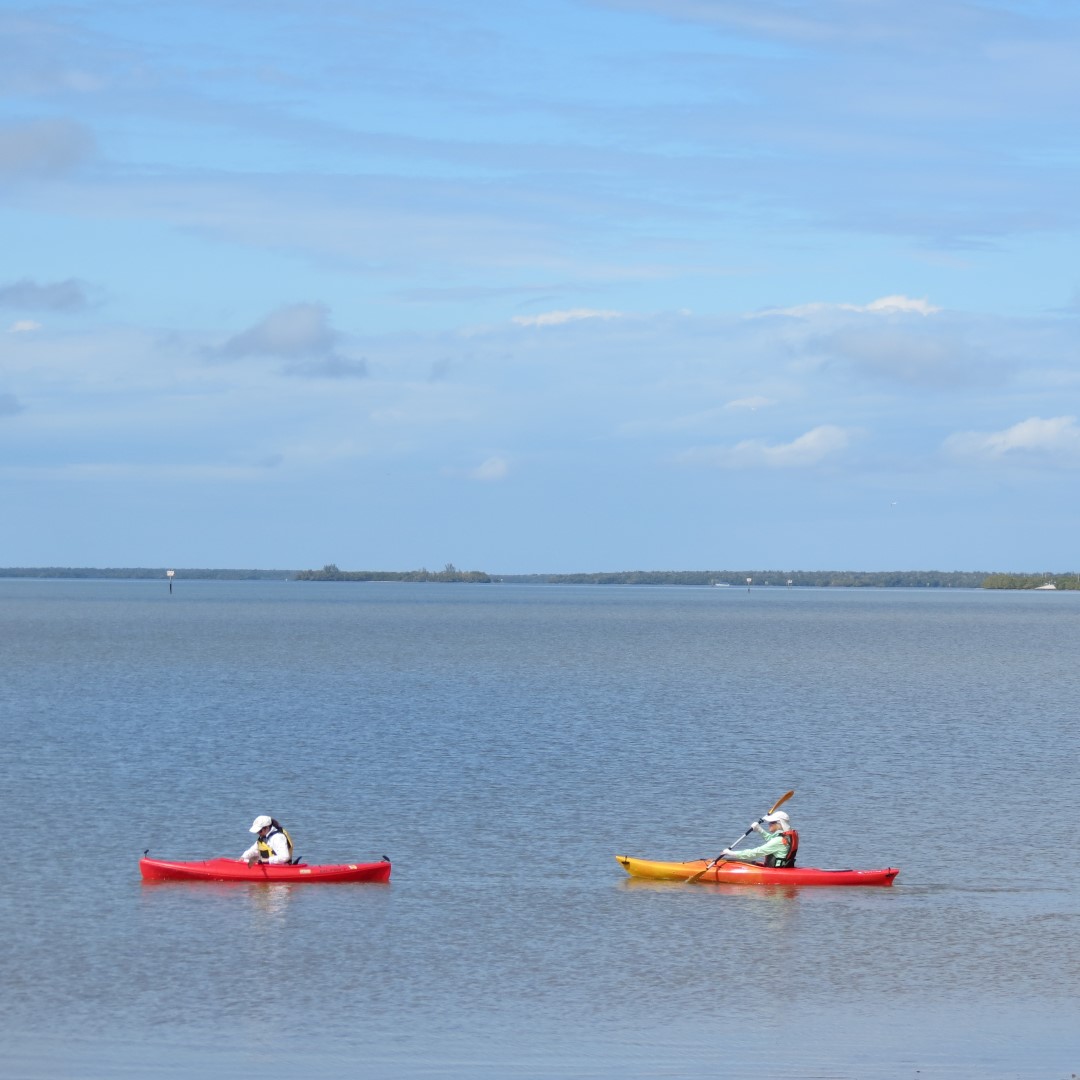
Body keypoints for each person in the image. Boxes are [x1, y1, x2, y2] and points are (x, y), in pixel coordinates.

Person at [720, 810, 798, 867]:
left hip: (775, 871)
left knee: (747, 858)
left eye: (771, 822)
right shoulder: (784, 837)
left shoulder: (778, 840)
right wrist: (759, 829)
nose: (769, 824)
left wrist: (731, 853)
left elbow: (755, 853)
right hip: (780, 868)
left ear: (779, 824)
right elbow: (771, 839)